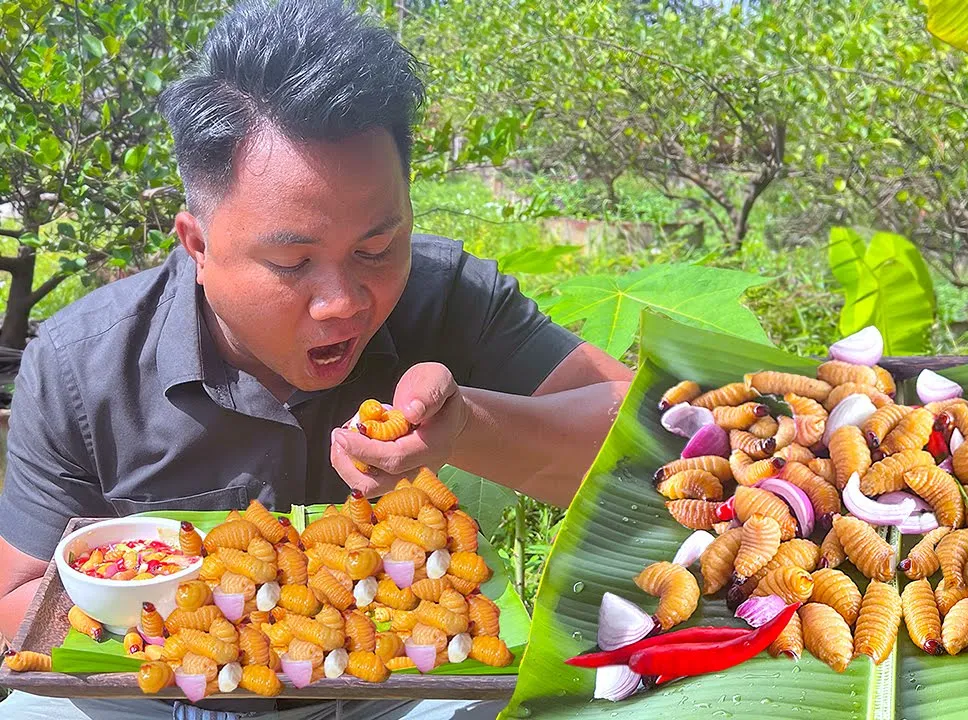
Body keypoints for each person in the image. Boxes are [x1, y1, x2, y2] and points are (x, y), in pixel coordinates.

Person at [0, 0, 632, 717]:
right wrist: (207, 637)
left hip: (399, 682)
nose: (344, 302)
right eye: (293, 262)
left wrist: (470, 427)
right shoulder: (82, 365)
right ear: (197, 245)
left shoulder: (448, 294)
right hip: (155, 681)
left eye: (375, 249)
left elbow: (646, 444)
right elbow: (18, 593)